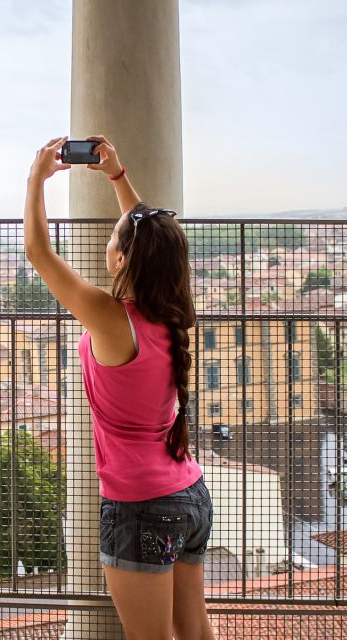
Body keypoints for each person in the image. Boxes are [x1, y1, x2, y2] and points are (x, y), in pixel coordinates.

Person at [24, 136, 215, 640]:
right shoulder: (169, 313)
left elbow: (39, 253)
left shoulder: (113, 321)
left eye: (113, 241)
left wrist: (35, 179)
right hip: (189, 494)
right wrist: (116, 175)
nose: (108, 244)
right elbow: (149, 233)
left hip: (141, 508)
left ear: (123, 261)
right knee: (194, 632)